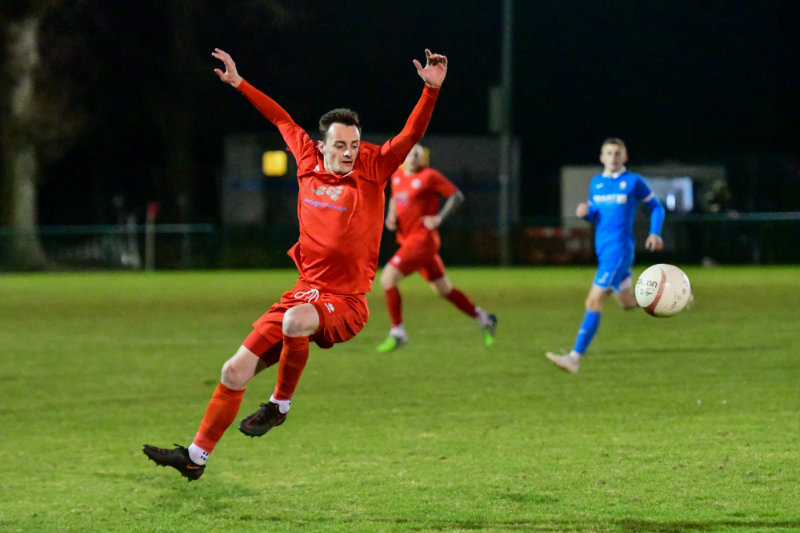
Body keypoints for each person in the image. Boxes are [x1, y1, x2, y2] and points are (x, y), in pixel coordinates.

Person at [142, 47, 448, 481]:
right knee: (233, 370)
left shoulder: (375, 167)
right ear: (322, 146)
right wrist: (239, 83)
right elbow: (280, 119)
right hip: (304, 292)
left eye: (354, 144)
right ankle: (195, 457)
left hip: (346, 302)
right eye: (340, 145)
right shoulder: (306, 158)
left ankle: (279, 406)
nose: (349, 152)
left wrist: (430, 91)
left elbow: (411, 134)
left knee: (296, 321)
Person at [546, 138, 665, 373]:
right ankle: (665, 298)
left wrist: (655, 233)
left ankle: (574, 358)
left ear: (625, 157)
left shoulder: (633, 181)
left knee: (593, 300)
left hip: (618, 251)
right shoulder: (597, 183)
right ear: (602, 158)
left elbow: (657, 207)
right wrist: (586, 213)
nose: (613, 157)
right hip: (603, 250)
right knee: (627, 302)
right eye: (609, 153)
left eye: (618, 153)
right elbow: (597, 215)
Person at [376, 144, 497, 352]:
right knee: (443, 289)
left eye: (418, 154)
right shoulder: (397, 176)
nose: (414, 157)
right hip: (409, 241)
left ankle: (398, 332)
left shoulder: (429, 176)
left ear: (423, 158)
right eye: (410, 153)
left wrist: (439, 218)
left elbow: (457, 196)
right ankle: (485, 318)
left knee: (387, 278)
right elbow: (395, 196)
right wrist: (391, 215)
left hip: (422, 241)